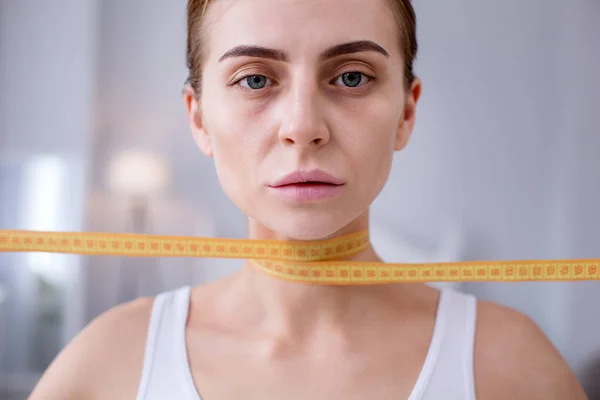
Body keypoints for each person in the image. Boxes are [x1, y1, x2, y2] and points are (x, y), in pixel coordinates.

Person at [29, 0, 587, 399]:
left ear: (406, 113)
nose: (302, 126)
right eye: (254, 80)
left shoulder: (512, 367)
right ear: (198, 117)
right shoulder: (106, 365)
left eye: (350, 77)